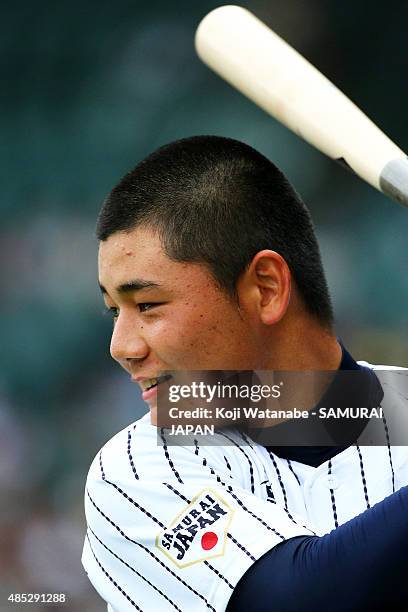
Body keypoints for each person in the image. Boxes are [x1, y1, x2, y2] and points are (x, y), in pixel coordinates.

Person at [81, 136, 408, 612]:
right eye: (116, 311)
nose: (122, 348)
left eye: (147, 305)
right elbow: (301, 603)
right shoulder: (136, 468)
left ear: (267, 288)